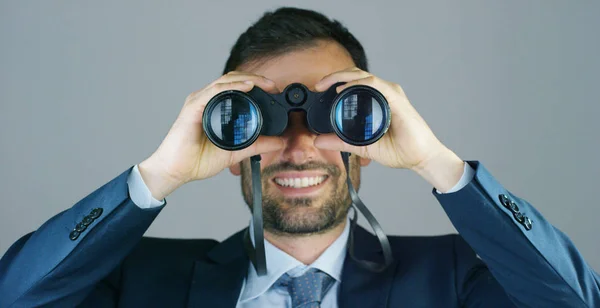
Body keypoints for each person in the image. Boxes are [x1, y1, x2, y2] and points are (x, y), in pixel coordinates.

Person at [0, 7, 598, 308]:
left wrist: (436, 162)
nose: (298, 144)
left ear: (367, 142)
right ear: (229, 149)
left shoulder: (455, 276)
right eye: (257, 120)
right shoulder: (138, 277)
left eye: (331, 115)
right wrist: (157, 175)